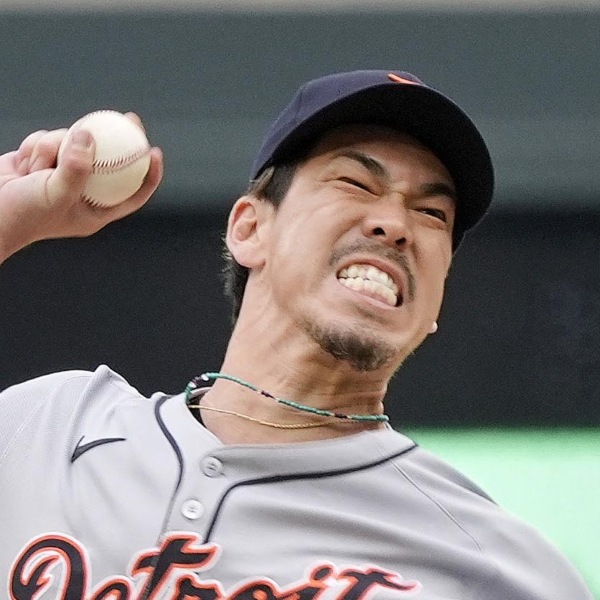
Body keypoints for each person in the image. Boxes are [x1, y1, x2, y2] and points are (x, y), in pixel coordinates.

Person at [0, 71, 592, 600]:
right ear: (249, 228)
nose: (394, 224)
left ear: (437, 299)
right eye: (356, 183)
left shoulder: (495, 570)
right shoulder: (47, 429)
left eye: (432, 214)